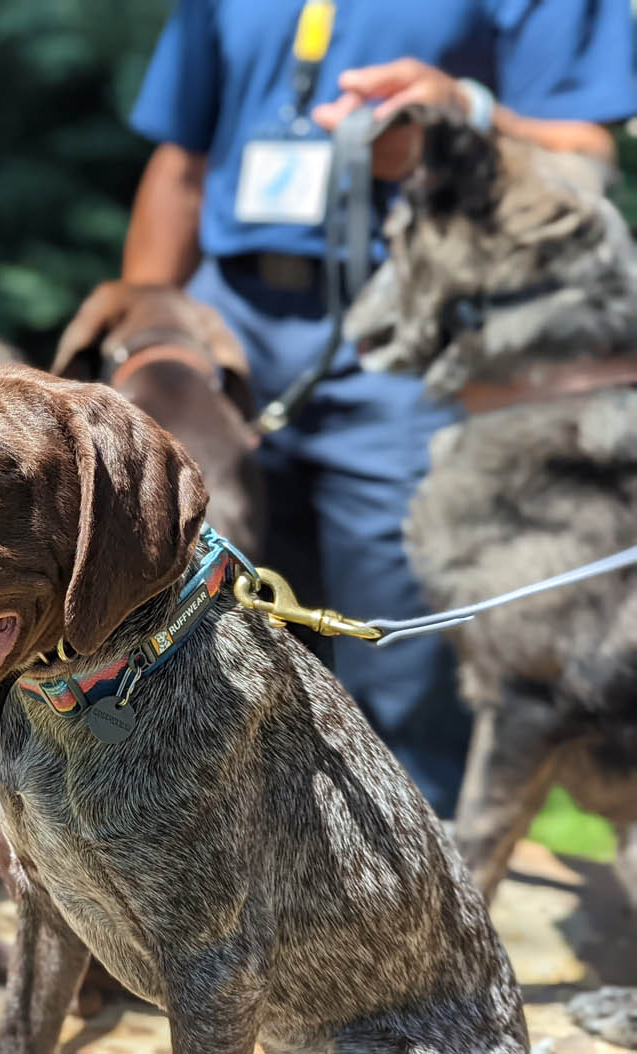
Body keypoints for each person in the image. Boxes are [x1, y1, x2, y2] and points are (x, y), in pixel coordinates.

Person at [119, 0, 636, 814]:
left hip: (413, 336)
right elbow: (182, 160)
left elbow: (585, 161)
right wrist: (145, 321)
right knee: (192, 649)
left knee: (400, 686)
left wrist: (461, 120)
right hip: (228, 330)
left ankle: (413, 895)